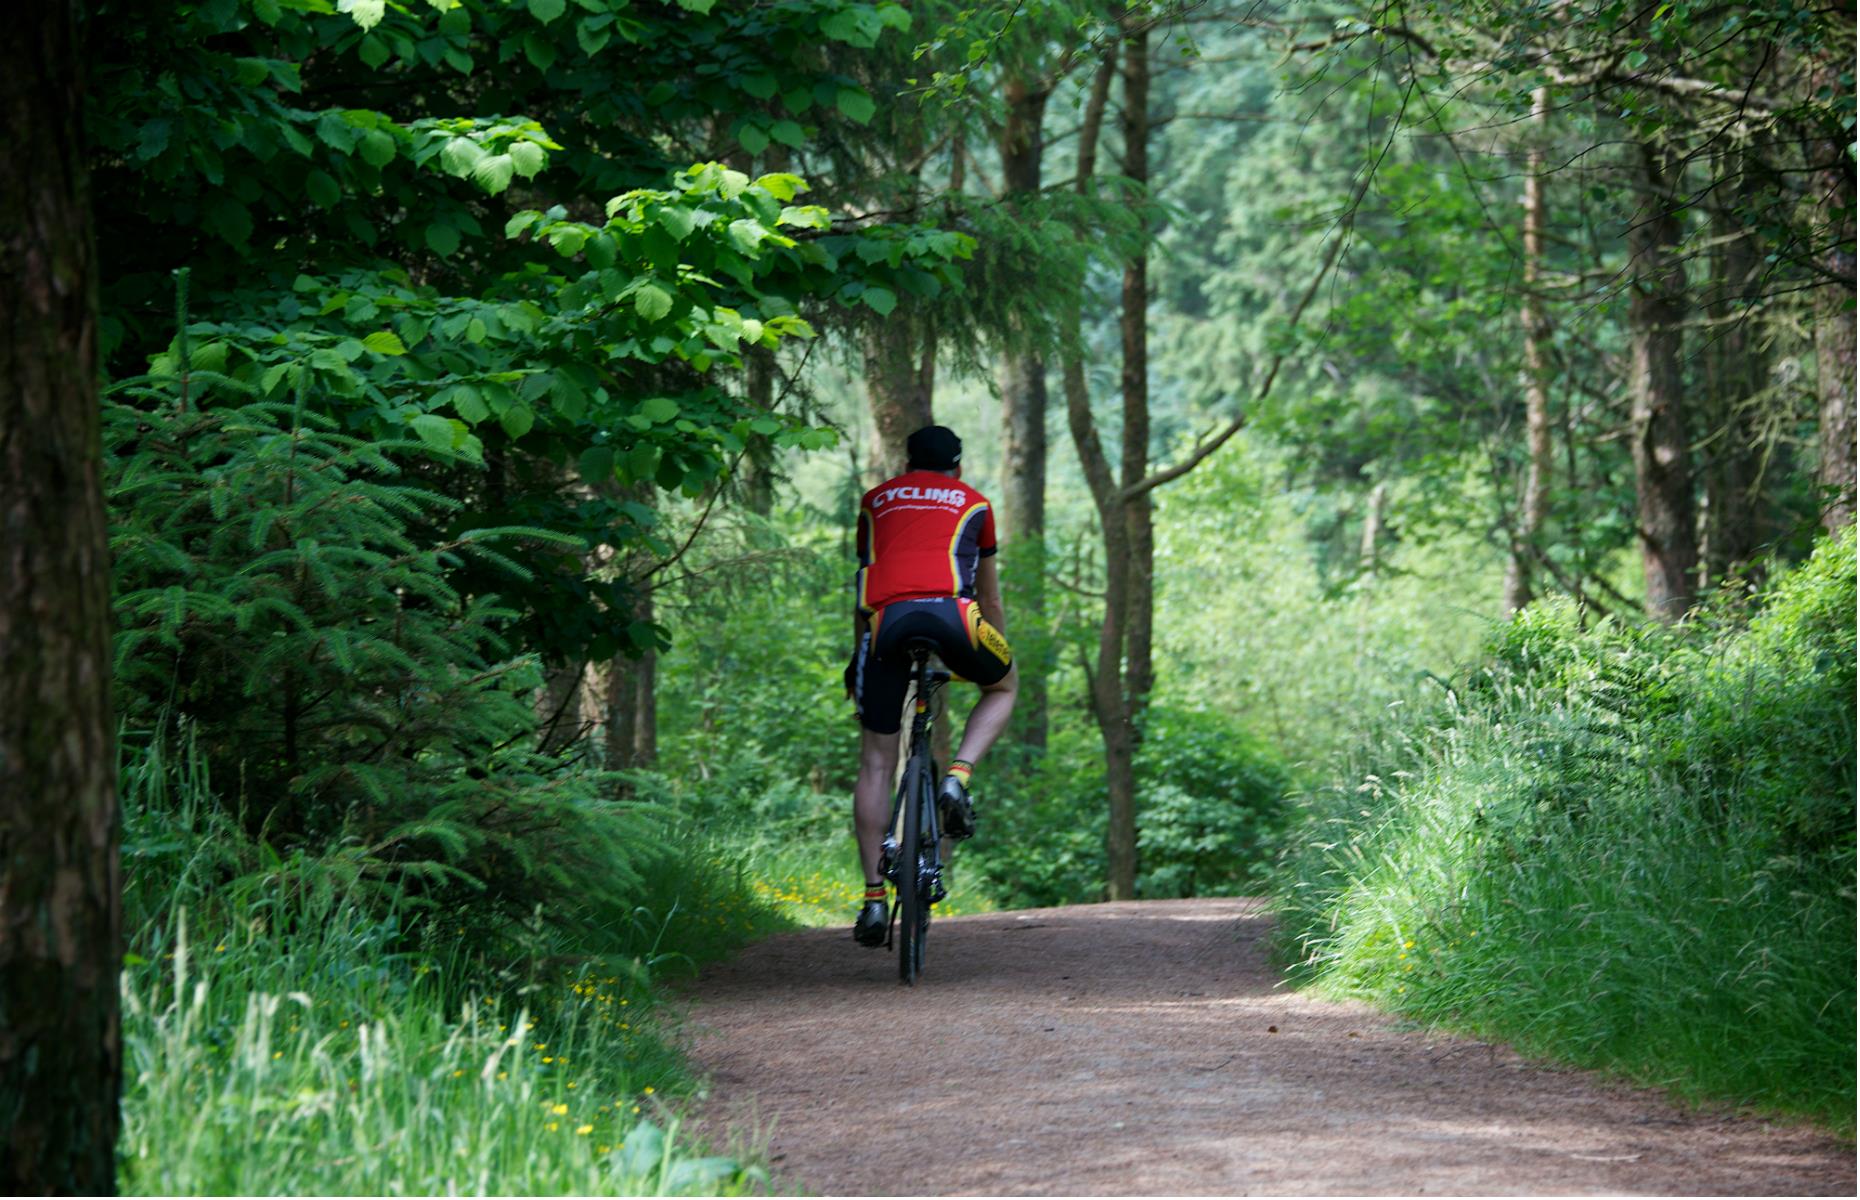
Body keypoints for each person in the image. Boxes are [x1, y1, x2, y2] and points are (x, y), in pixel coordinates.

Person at [844, 424, 1018, 947]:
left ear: (907, 464)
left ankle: (874, 900)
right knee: (1004, 687)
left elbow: (863, 586)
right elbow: (989, 597)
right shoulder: (976, 504)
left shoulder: (875, 501)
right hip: (955, 618)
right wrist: (998, 650)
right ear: (957, 468)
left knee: (876, 760)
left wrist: (860, 658)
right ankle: (956, 778)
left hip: (886, 625)